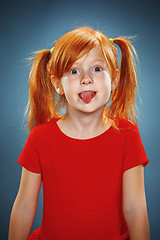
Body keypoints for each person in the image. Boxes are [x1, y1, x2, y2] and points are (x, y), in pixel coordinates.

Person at [8, 26, 150, 240]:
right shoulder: (40, 138)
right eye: (74, 71)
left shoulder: (127, 135)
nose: (86, 79)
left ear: (114, 80)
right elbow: (24, 208)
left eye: (97, 69)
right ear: (58, 84)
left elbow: (135, 208)